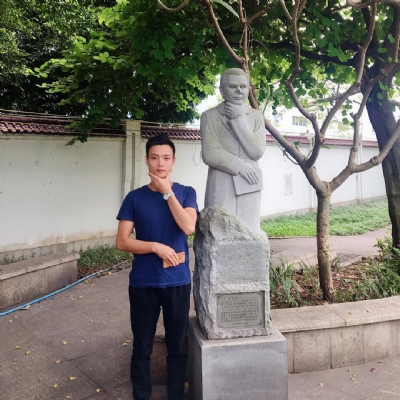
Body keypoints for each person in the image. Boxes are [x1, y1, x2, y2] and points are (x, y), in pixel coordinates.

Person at [116, 133, 198, 400]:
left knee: (177, 346)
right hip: (144, 283)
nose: (160, 163)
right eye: (154, 158)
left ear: (173, 161)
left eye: (165, 158)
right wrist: (154, 246)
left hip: (177, 282)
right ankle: (141, 395)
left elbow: (188, 227)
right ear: (146, 161)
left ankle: (176, 395)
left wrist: (167, 193)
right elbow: (122, 241)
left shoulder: (186, 193)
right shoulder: (134, 198)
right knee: (142, 346)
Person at [200, 68, 266, 232]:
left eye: (243, 86)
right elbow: (210, 152)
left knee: (250, 231)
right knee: (219, 231)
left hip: (250, 182)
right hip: (221, 183)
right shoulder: (210, 116)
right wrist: (240, 165)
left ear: (248, 89)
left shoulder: (256, 116)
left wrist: (239, 119)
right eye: (232, 86)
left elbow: (256, 151)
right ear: (222, 90)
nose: (238, 91)